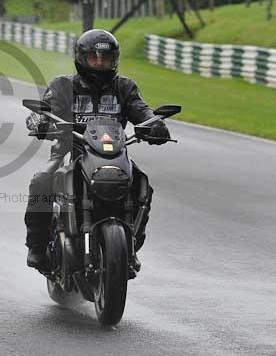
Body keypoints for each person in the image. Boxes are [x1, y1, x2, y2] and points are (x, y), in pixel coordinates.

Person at [24, 29, 170, 272]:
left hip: (113, 153)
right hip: (70, 151)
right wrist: (40, 122)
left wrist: (156, 125)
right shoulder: (63, 85)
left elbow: (142, 111)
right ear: (82, 58)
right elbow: (43, 110)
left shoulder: (125, 87)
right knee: (41, 182)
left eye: (106, 59)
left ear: (115, 60)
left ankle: (130, 245)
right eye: (94, 58)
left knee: (142, 183)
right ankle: (36, 247)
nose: (100, 64)